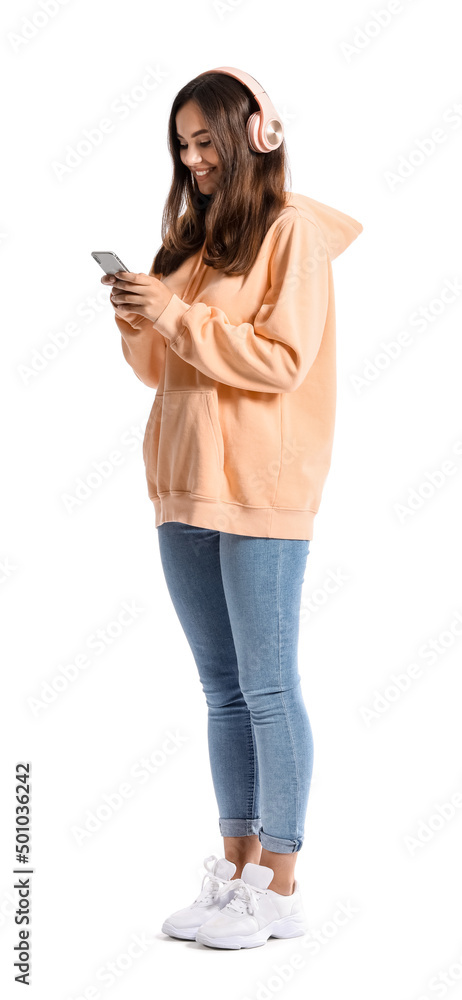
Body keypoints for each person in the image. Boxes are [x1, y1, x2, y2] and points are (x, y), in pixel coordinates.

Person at [101, 67, 363, 950]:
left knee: (267, 684)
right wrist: (143, 317)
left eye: (206, 139)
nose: (194, 158)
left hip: (261, 487)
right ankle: (235, 870)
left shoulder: (294, 237)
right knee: (221, 691)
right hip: (182, 484)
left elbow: (280, 360)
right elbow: (161, 368)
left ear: (257, 133)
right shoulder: (195, 236)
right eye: (182, 144)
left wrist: (176, 316)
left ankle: (279, 886)